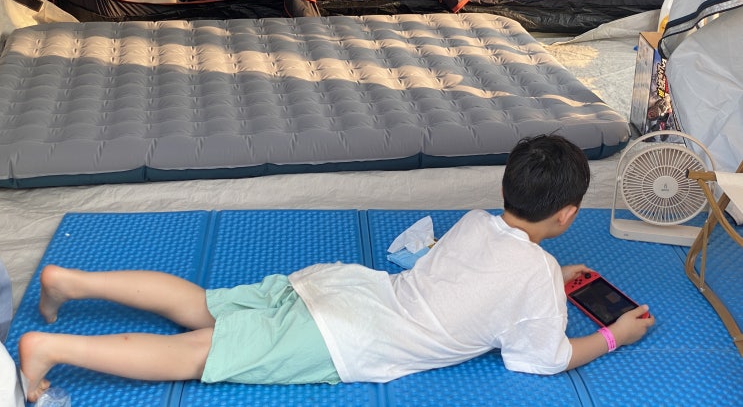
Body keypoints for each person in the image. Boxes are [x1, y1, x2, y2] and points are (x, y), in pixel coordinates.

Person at [19, 134, 654, 402]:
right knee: (194, 354)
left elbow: (483, 278)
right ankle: (50, 348)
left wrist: (552, 275)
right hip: (342, 335)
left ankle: (70, 281)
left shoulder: (476, 222)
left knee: (203, 304)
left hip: (339, 287)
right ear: (569, 214)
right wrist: (612, 337)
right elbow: (544, 359)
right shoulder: (535, 275)